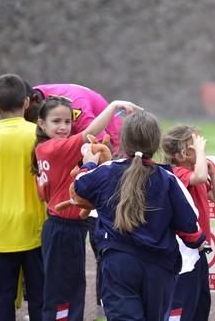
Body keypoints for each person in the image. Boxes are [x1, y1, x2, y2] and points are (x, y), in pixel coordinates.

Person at [72, 110, 205, 321]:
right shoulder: (169, 180)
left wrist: (88, 163)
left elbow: (79, 187)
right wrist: (199, 243)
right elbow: (190, 231)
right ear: (156, 144)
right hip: (159, 267)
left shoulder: (106, 171)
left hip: (118, 262)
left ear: (123, 143)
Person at [32, 96, 141, 321]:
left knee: (66, 288)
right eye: (56, 121)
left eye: (67, 121)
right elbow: (89, 131)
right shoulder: (56, 147)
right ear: (41, 124)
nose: (63, 127)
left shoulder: (45, 148)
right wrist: (113, 107)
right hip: (64, 226)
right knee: (65, 291)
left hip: (61, 225)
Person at [0, 73, 45, 321]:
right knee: (40, 296)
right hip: (36, 228)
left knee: (1, 296)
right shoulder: (40, 135)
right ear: (27, 103)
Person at [162, 126, 215, 321]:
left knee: (200, 303)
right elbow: (197, 176)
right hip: (183, 250)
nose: (198, 148)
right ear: (180, 154)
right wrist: (201, 153)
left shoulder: (194, 174)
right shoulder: (177, 172)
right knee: (182, 303)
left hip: (198, 250)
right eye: (192, 145)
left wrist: (213, 174)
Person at [24, 82, 124, 154]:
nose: (22, 121)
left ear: (34, 100)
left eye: (25, 115)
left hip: (116, 147)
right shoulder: (25, 96)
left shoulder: (74, 105)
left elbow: (103, 147)